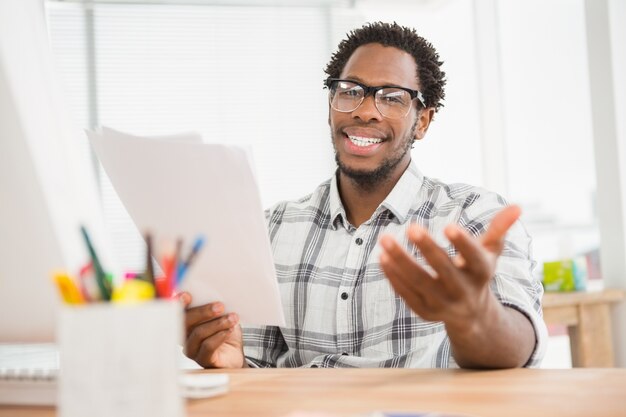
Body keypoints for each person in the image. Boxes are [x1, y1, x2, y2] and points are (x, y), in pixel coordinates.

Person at [181, 22, 547, 369]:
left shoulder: (473, 218)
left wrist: (475, 315)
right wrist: (232, 362)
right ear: (330, 107)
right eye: (350, 91)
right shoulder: (272, 228)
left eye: (392, 98)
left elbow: (516, 347)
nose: (366, 111)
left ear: (422, 121)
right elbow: (257, 369)